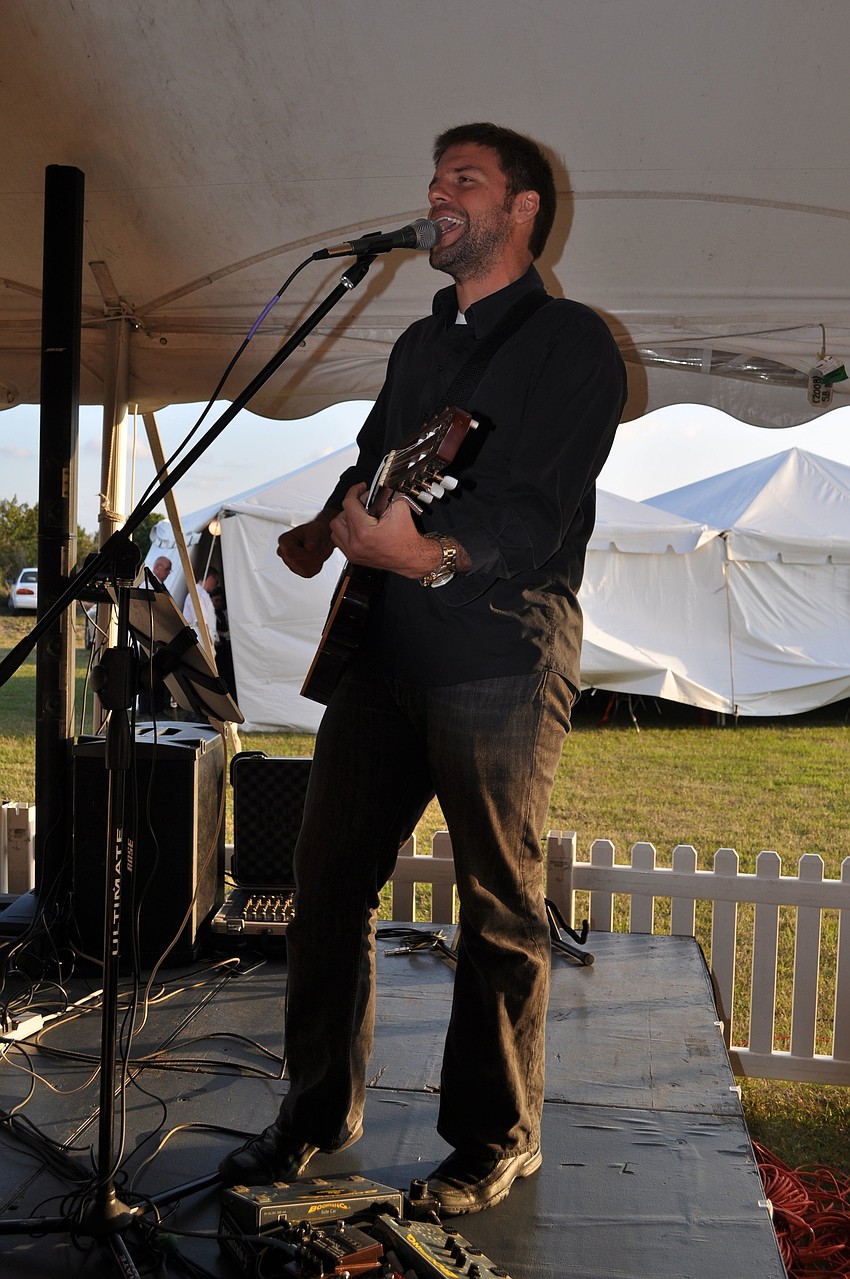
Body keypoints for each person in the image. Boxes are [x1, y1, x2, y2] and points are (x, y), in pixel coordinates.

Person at [219, 122, 627, 1215]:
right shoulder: (417, 345)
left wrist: (435, 555)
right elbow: (375, 459)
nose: (436, 194)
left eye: (464, 179)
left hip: (497, 649)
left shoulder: (572, 343)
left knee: (497, 906)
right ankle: (314, 1112)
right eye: (434, 177)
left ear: (523, 207)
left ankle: (493, 1138)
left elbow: (539, 508)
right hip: (384, 651)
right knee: (323, 887)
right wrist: (324, 528)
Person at [183, 569, 219, 646]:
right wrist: (209, 642)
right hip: (200, 642)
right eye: (216, 582)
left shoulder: (203, 594)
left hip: (203, 643)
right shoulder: (198, 594)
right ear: (211, 578)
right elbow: (201, 620)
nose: (216, 586)